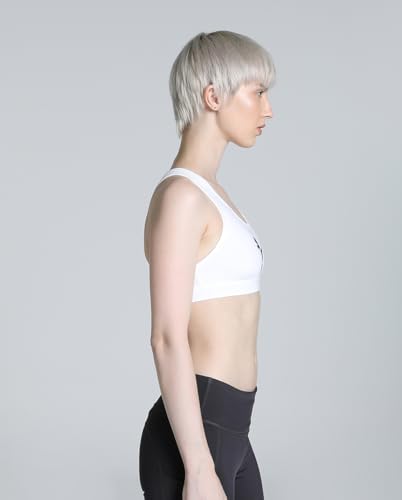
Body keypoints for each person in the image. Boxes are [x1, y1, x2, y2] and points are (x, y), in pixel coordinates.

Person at [138, 30, 275, 499]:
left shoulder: (212, 195)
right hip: (198, 441)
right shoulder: (182, 197)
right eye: (258, 92)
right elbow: (166, 337)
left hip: (231, 428)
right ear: (214, 96)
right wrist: (198, 469)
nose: (268, 110)